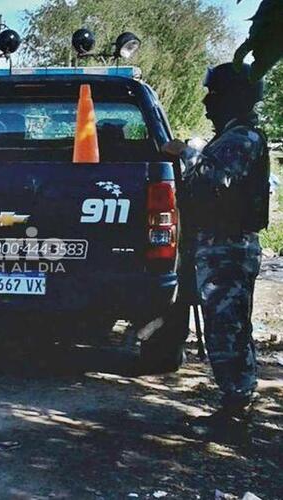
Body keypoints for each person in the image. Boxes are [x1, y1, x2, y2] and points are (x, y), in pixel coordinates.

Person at [163, 62, 269, 435]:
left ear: (232, 99)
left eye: (214, 95)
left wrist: (187, 153)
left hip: (228, 247)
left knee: (226, 328)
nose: (207, 102)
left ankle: (236, 411)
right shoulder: (232, 136)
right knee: (227, 326)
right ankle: (237, 402)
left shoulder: (241, 138)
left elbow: (211, 181)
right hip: (219, 246)